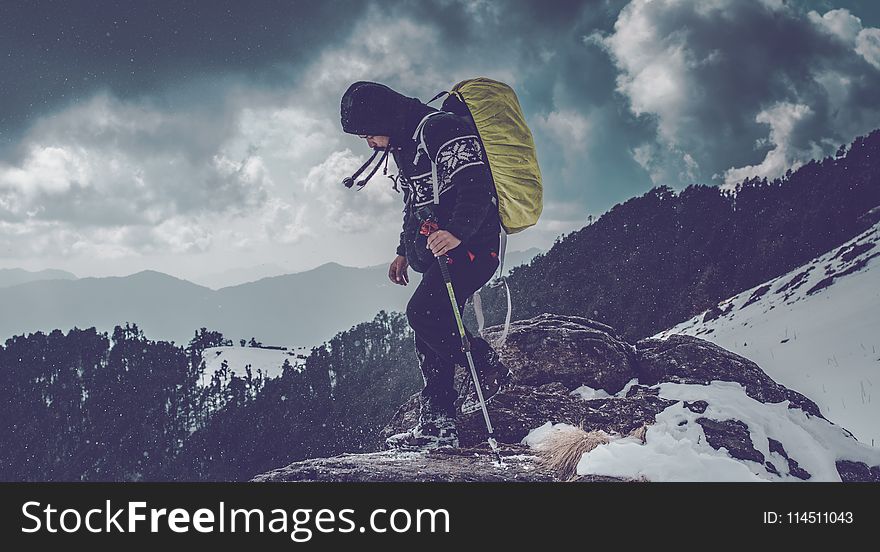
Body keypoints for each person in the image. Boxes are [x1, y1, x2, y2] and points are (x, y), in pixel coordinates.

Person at [340, 81, 511, 451]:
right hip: (442, 250)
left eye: (369, 133)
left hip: (473, 249)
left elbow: (476, 187)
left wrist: (456, 232)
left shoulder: (441, 130)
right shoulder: (405, 143)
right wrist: (403, 250)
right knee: (432, 331)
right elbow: (415, 203)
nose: (368, 142)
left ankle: (487, 367)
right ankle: (438, 424)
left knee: (424, 314)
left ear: (385, 117)